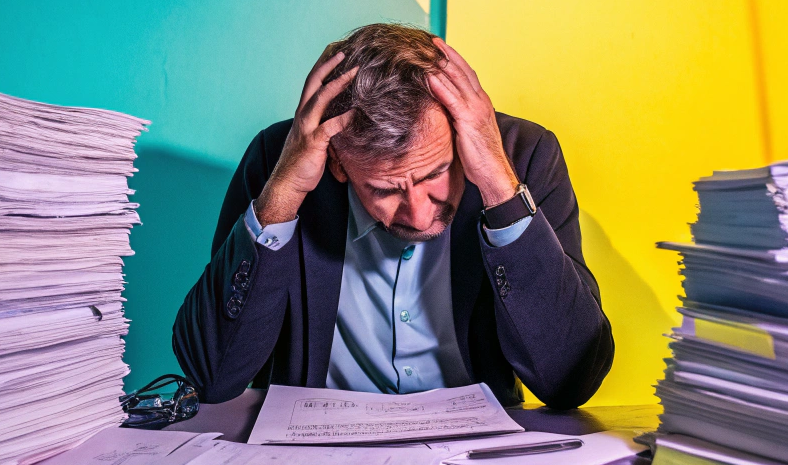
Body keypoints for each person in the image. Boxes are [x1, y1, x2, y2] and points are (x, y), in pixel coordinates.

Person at [173, 23, 613, 408]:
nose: (420, 217)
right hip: (315, 460)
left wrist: (501, 188)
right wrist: (283, 191)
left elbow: (571, 381)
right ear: (338, 164)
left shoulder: (523, 156)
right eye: (384, 189)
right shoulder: (282, 159)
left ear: (460, 136)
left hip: (474, 464)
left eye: (436, 172)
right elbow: (212, 376)